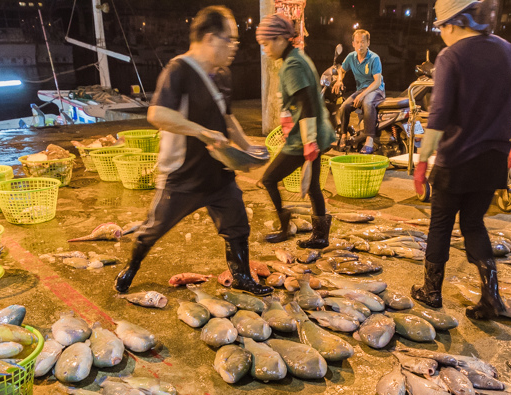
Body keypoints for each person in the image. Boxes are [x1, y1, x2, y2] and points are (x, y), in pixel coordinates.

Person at [113, 6, 271, 296]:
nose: (235, 47)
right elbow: (157, 114)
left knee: (237, 225)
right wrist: (199, 130)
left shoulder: (222, 74)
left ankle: (241, 277)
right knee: (153, 229)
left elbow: (227, 116)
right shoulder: (179, 70)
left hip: (218, 174)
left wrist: (247, 146)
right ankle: (132, 267)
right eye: (230, 40)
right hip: (182, 177)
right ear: (211, 38)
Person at [411, 0, 511, 320]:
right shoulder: (507, 50)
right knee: (473, 223)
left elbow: (438, 116)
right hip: (493, 159)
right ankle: (491, 297)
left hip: (457, 159)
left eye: (441, 29)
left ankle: (431, 292)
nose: (441, 36)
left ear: (452, 23)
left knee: (441, 225)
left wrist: (422, 162)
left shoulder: (451, 56)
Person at [257, 14, 337, 247]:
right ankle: (320, 236)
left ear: (282, 39)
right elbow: (298, 99)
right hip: (315, 133)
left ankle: (286, 226)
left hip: (306, 137)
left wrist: (308, 142)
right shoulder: (296, 57)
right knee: (313, 187)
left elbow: (307, 104)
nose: (266, 49)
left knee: (269, 179)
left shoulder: (292, 64)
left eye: (267, 43)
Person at [332, 29, 385, 154]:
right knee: (344, 106)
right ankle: (344, 136)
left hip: (376, 89)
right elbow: (342, 70)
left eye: (363, 42)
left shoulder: (374, 58)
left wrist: (362, 95)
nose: (360, 45)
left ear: (368, 43)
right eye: (357, 42)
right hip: (361, 89)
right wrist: (339, 80)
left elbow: (377, 81)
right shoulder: (351, 57)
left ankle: (370, 140)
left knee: (367, 103)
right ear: (353, 44)